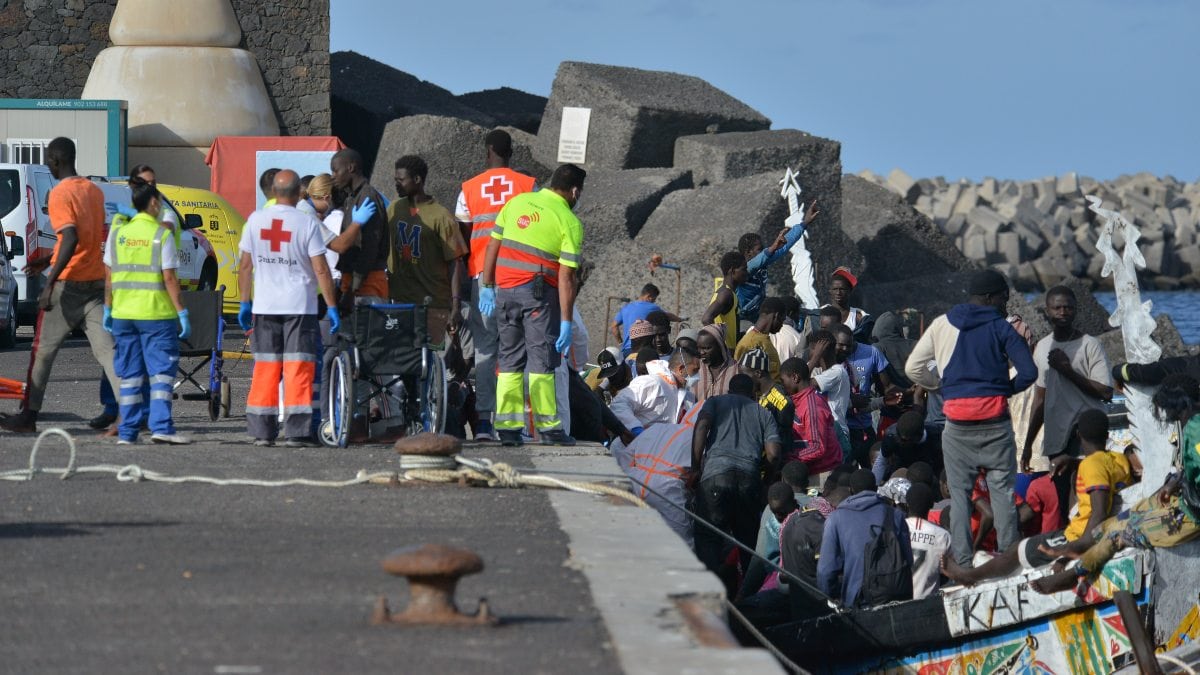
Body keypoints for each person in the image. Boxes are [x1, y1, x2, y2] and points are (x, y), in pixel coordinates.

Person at [905, 269, 1037, 567]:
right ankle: (1009, 560)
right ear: (990, 297)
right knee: (1002, 492)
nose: (1006, 304)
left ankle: (963, 564)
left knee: (961, 495)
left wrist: (938, 386)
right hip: (995, 423)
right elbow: (1029, 372)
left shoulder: (942, 324)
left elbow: (913, 368)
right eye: (1004, 297)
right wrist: (1005, 390)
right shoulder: (1002, 329)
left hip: (957, 426)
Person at [1030, 374, 1200, 594]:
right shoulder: (1190, 426)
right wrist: (1172, 484)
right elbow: (1187, 469)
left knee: (1117, 534)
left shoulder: (1195, 429)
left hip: (1190, 514)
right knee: (1110, 525)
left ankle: (1074, 575)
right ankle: (1079, 554)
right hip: (1182, 499)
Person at [1, 137, 120, 434]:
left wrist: (49, 281)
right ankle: (131, 413)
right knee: (108, 352)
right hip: (94, 282)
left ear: (55, 161)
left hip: (67, 286)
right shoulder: (93, 191)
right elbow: (85, 235)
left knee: (42, 352)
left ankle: (28, 417)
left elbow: (70, 237)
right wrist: (47, 259)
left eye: (49, 162)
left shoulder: (59, 193)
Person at [941, 408, 1129, 586]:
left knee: (1017, 550)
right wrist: (1073, 462)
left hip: (1077, 537)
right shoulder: (1118, 460)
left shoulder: (1090, 465)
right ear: (1107, 435)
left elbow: (1098, 513)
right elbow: (1101, 472)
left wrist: (1074, 549)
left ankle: (967, 576)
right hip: (1079, 531)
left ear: (1078, 435)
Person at [480, 163, 585, 447]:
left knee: (509, 359)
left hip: (504, 294)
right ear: (574, 191)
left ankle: (508, 429)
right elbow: (566, 277)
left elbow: (493, 246)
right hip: (538, 298)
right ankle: (549, 429)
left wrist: (487, 286)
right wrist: (565, 319)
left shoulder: (516, 202)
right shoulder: (569, 221)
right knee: (541, 361)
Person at [237, 170, 340, 446]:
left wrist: (244, 302)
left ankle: (262, 432)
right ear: (298, 194)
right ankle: (297, 433)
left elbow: (245, 266)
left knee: (266, 369)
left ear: (273, 191)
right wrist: (332, 306)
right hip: (300, 308)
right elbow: (321, 269)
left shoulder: (255, 220)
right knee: (298, 369)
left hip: (265, 306)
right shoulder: (305, 222)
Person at [456, 131, 538, 441]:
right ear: (512, 152)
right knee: (516, 350)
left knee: (486, 350)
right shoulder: (529, 186)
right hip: (520, 278)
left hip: (483, 280)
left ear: (489, 151)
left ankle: (483, 424)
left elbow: (463, 233)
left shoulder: (469, 189)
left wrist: (471, 266)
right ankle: (511, 423)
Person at [101, 176, 190, 445]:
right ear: (152, 203)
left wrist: (108, 309)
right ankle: (161, 427)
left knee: (129, 376)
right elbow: (170, 279)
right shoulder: (161, 235)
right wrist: (182, 313)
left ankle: (127, 433)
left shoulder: (119, 234)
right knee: (161, 374)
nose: (161, 206)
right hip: (155, 316)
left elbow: (109, 277)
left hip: (123, 316)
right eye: (160, 202)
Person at [1021, 287, 1112, 519]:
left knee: (1089, 494)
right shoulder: (1042, 347)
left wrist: (1067, 370)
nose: (1063, 312)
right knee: (1064, 500)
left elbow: (1106, 392)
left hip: (1086, 434)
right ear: (1047, 311)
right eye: (1057, 307)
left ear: (1075, 311)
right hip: (1057, 437)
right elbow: (1040, 399)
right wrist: (1028, 445)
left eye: (1068, 307)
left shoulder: (1089, 344)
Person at [688, 374, 783, 579]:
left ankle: (710, 592)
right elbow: (774, 454)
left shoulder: (715, 402)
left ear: (729, 391)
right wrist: (766, 480)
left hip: (714, 476)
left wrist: (696, 468)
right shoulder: (763, 412)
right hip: (748, 480)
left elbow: (702, 426)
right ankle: (748, 599)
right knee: (748, 543)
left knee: (708, 539)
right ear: (753, 394)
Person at [387, 155, 468, 345]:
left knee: (429, 361)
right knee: (403, 359)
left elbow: (454, 263)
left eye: (401, 180)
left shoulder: (441, 216)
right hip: (400, 302)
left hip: (433, 305)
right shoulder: (394, 209)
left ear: (417, 180)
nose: (397, 184)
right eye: (395, 180)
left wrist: (455, 305)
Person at [817, 469, 912, 607]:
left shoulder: (836, 519)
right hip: (897, 597)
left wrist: (834, 596)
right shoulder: (895, 515)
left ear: (851, 490)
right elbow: (908, 558)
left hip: (858, 600)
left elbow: (825, 571)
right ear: (875, 488)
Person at [608, 349, 699, 468]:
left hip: (653, 460)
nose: (698, 375)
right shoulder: (653, 382)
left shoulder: (687, 397)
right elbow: (619, 403)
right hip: (627, 455)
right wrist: (635, 429)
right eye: (695, 370)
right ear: (681, 369)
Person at [735, 198, 818, 323]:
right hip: (744, 319)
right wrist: (772, 248)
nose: (764, 251)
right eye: (760, 249)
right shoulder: (743, 269)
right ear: (748, 252)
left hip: (759, 312)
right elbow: (753, 264)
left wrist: (804, 223)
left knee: (793, 307)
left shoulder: (765, 260)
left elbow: (785, 245)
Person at [329, 148, 390, 309]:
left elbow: (370, 248)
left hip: (366, 286)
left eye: (336, 170)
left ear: (351, 168)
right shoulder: (352, 198)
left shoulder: (367, 197)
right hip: (352, 283)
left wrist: (352, 291)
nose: (333, 176)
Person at [835, 323, 896, 468]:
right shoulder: (827, 361)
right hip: (840, 428)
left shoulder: (871, 353)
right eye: (841, 345)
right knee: (844, 471)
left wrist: (902, 394)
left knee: (873, 469)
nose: (845, 349)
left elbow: (886, 387)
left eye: (848, 345)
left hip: (864, 425)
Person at [780, 357, 842, 474]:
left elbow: (817, 447)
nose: (782, 385)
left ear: (795, 378)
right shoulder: (797, 402)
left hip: (821, 472)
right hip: (807, 469)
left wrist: (787, 459)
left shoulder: (811, 406)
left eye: (783, 380)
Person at [740, 348, 794, 461]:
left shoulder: (778, 398)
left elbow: (785, 435)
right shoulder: (761, 394)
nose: (743, 380)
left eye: (745, 375)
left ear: (758, 373)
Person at [905, 482, 951, 599]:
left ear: (907, 504)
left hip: (897, 604)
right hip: (929, 604)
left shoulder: (896, 530)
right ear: (931, 505)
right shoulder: (942, 535)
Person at [807, 328, 851, 451]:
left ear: (822, 351)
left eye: (812, 349)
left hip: (836, 434)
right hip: (824, 431)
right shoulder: (820, 372)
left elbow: (801, 384)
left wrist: (815, 357)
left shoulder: (837, 372)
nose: (809, 354)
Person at [612, 284, 682, 357]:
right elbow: (666, 316)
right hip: (643, 351)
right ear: (649, 296)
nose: (653, 302)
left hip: (627, 351)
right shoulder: (652, 307)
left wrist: (621, 343)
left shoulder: (626, 308)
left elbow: (614, 326)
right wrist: (680, 319)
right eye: (654, 299)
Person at [874, 410, 944, 482]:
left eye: (904, 440)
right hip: (903, 470)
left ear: (918, 438)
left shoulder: (938, 436)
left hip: (933, 470)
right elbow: (881, 461)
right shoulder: (891, 437)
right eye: (899, 437)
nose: (900, 441)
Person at [700, 251, 747, 351]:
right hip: (726, 356)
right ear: (732, 271)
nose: (746, 273)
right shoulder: (726, 294)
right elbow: (706, 319)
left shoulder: (728, 292)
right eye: (744, 269)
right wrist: (721, 347)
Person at [734, 296, 784, 382]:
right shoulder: (751, 342)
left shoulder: (763, 339)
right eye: (782, 320)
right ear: (777, 316)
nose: (782, 325)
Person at [692, 323, 739, 403]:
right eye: (698, 348)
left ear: (720, 346)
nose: (701, 352)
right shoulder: (694, 368)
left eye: (706, 348)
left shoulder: (736, 370)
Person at [824, 266, 872, 338]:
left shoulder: (859, 317)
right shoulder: (820, 313)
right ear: (830, 291)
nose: (838, 292)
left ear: (850, 291)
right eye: (835, 289)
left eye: (842, 289)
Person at [771, 296, 806, 364]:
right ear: (791, 313)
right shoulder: (797, 338)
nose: (798, 317)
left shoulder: (761, 330)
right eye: (798, 313)